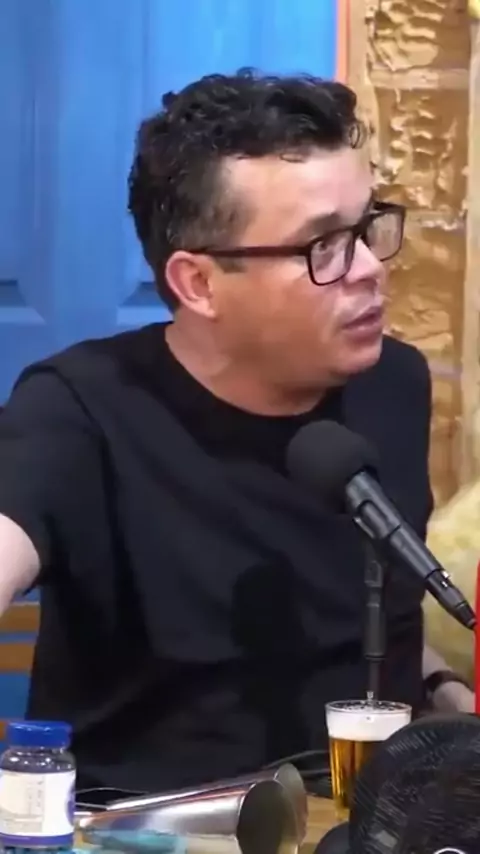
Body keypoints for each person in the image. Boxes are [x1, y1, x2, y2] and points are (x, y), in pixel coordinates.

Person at [0, 70, 472, 794]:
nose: (370, 269)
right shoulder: (81, 408)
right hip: (152, 828)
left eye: (367, 226)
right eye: (323, 245)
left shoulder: (394, 382)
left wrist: (441, 687)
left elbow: (368, 623)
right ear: (198, 283)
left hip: (375, 820)